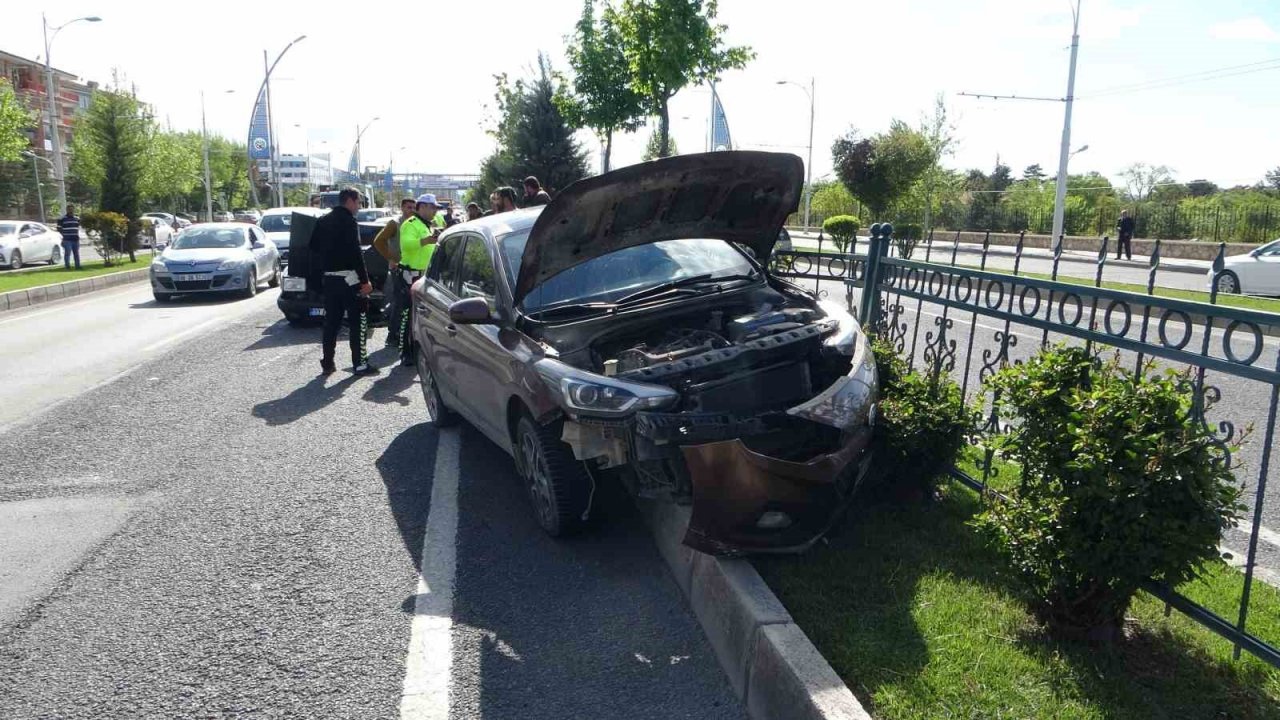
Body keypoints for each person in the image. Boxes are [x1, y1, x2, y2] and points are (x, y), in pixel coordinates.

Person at [311, 188, 376, 375]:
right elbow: (356, 253)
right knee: (359, 321)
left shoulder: (322, 220)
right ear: (349, 201)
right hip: (349, 279)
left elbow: (312, 249)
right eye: (359, 202)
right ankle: (360, 364)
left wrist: (318, 277)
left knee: (331, 323)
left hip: (329, 279)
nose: (359, 207)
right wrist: (365, 281)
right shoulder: (348, 221)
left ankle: (328, 363)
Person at [396, 193, 444, 366]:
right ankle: (405, 352)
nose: (435, 211)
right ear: (422, 207)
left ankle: (420, 348)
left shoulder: (428, 224)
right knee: (407, 314)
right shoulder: (410, 224)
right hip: (410, 275)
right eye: (432, 207)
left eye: (436, 208)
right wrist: (426, 240)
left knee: (423, 315)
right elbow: (407, 245)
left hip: (425, 275)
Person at [373, 198, 417, 347]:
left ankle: (406, 333)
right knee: (399, 301)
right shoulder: (395, 223)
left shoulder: (415, 224)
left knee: (410, 302)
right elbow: (379, 241)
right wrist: (391, 258)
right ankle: (393, 335)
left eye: (414, 207)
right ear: (402, 208)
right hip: (398, 269)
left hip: (413, 268)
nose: (412, 210)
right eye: (409, 207)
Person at [57, 205, 82, 270]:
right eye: (69, 209)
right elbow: (59, 228)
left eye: (72, 209)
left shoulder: (77, 218)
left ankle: (78, 266)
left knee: (76, 254)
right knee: (67, 253)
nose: (70, 211)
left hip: (75, 239)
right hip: (67, 240)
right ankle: (67, 266)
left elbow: (78, 227)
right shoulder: (62, 219)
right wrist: (65, 235)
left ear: (73, 210)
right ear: (67, 210)